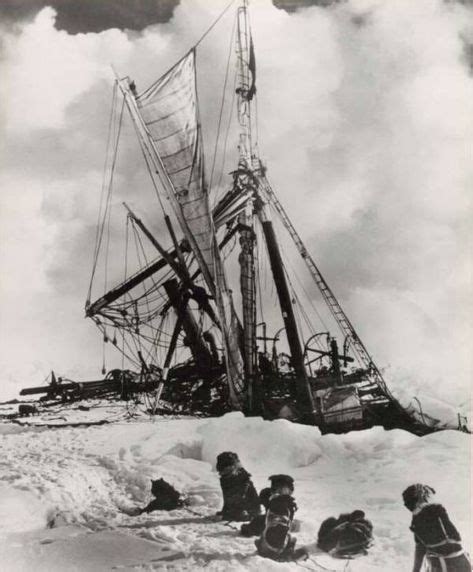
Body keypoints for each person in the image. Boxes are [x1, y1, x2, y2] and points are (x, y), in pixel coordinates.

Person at [402, 484, 471, 572]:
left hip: (443, 565)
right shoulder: (440, 511)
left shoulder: (418, 518)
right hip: (463, 560)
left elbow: (420, 550)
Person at [255, 493, 307, 561]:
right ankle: (286, 556)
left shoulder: (271, 512)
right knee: (292, 539)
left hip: (264, 549)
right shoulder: (284, 514)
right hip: (276, 551)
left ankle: (267, 549)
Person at [216, 452, 260, 522]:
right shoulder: (224, 478)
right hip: (236, 507)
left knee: (229, 516)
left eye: (228, 470)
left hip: (248, 510)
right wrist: (225, 510)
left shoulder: (243, 479)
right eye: (223, 471)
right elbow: (227, 496)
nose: (223, 473)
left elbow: (241, 497)